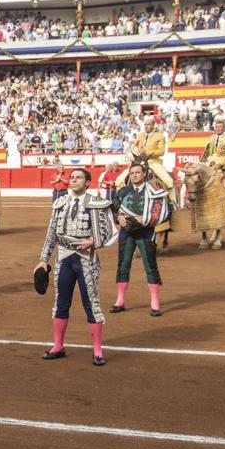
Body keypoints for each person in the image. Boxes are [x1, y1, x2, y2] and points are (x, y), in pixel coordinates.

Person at [34, 167, 118, 366]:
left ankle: (97, 350)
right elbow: (51, 233)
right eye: (72, 177)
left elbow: (111, 231)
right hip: (64, 257)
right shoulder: (60, 203)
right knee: (61, 302)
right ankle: (58, 345)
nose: (74, 180)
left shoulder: (97, 204)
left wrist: (94, 242)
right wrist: (43, 259)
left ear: (87, 182)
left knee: (92, 304)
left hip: (86, 258)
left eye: (79, 178)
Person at [110, 159, 171, 317]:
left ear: (144, 174)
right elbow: (114, 208)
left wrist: (144, 219)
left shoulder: (154, 189)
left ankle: (155, 302)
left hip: (146, 232)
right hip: (127, 232)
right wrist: (119, 218)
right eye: (132, 173)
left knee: (150, 265)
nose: (135, 175)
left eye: (138, 172)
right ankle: (120, 300)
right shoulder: (123, 191)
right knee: (123, 265)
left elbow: (164, 212)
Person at [117, 114, 174, 192]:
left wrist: (146, 153)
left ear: (153, 126)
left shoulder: (159, 136)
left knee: (169, 182)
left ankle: (172, 202)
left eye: (148, 124)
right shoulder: (141, 135)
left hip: (153, 162)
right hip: (138, 162)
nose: (146, 126)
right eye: (145, 125)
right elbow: (134, 147)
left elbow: (161, 151)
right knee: (119, 180)